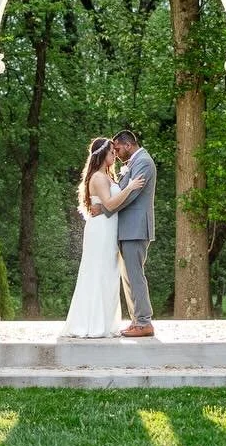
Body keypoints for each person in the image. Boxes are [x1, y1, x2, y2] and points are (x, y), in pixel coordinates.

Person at [60, 137, 145, 338]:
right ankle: (92, 324)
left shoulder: (106, 176)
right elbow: (109, 204)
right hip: (100, 231)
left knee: (109, 273)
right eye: (111, 153)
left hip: (108, 229)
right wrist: (130, 188)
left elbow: (108, 205)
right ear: (101, 155)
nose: (114, 155)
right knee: (98, 272)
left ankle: (106, 322)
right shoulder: (98, 178)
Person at [107, 129, 157, 338]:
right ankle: (137, 320)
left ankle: (144, 322)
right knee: (128, 277)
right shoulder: (131, 164)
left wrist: (107, 208)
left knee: (135, 276)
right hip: (128, 228)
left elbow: (131, 195)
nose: (116, 153)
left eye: (117, 148)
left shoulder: (143, 162)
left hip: (136, 228)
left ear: (128, 145)